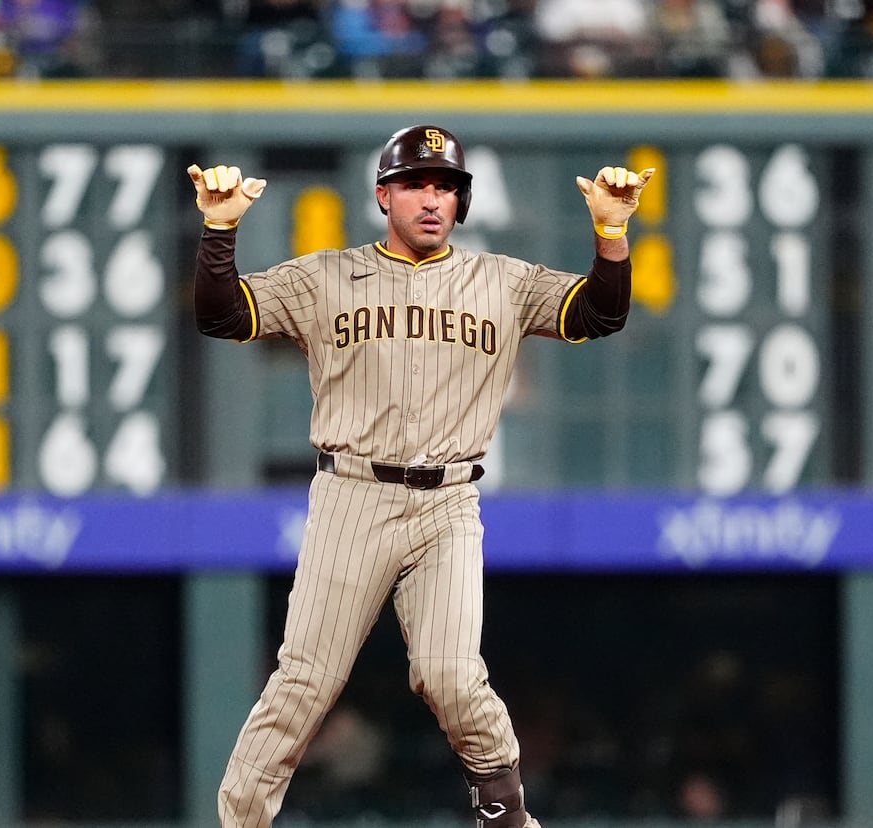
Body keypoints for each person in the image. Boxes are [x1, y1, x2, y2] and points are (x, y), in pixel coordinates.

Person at [185, 124, 653, 828]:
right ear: (384, 195)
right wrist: (220, 232)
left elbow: (599, 313)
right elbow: (222, 315)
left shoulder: (503, 280)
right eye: (415, 185)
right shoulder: (324, 276)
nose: (432, 199)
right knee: (304, 683)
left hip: (449, 504)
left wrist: (611, 235)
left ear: (461, 202)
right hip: (351, 495)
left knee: (452, 677)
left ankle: (508, 820)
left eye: (446, 187)